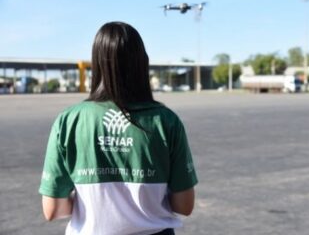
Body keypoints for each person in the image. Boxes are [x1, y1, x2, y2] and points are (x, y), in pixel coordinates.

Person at [39, 21, 198, 235]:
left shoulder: (68, 121)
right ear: (142, 63)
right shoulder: (166, 121)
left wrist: (94, 202)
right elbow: (184, 205)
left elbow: (53, 209)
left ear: (96, 64)